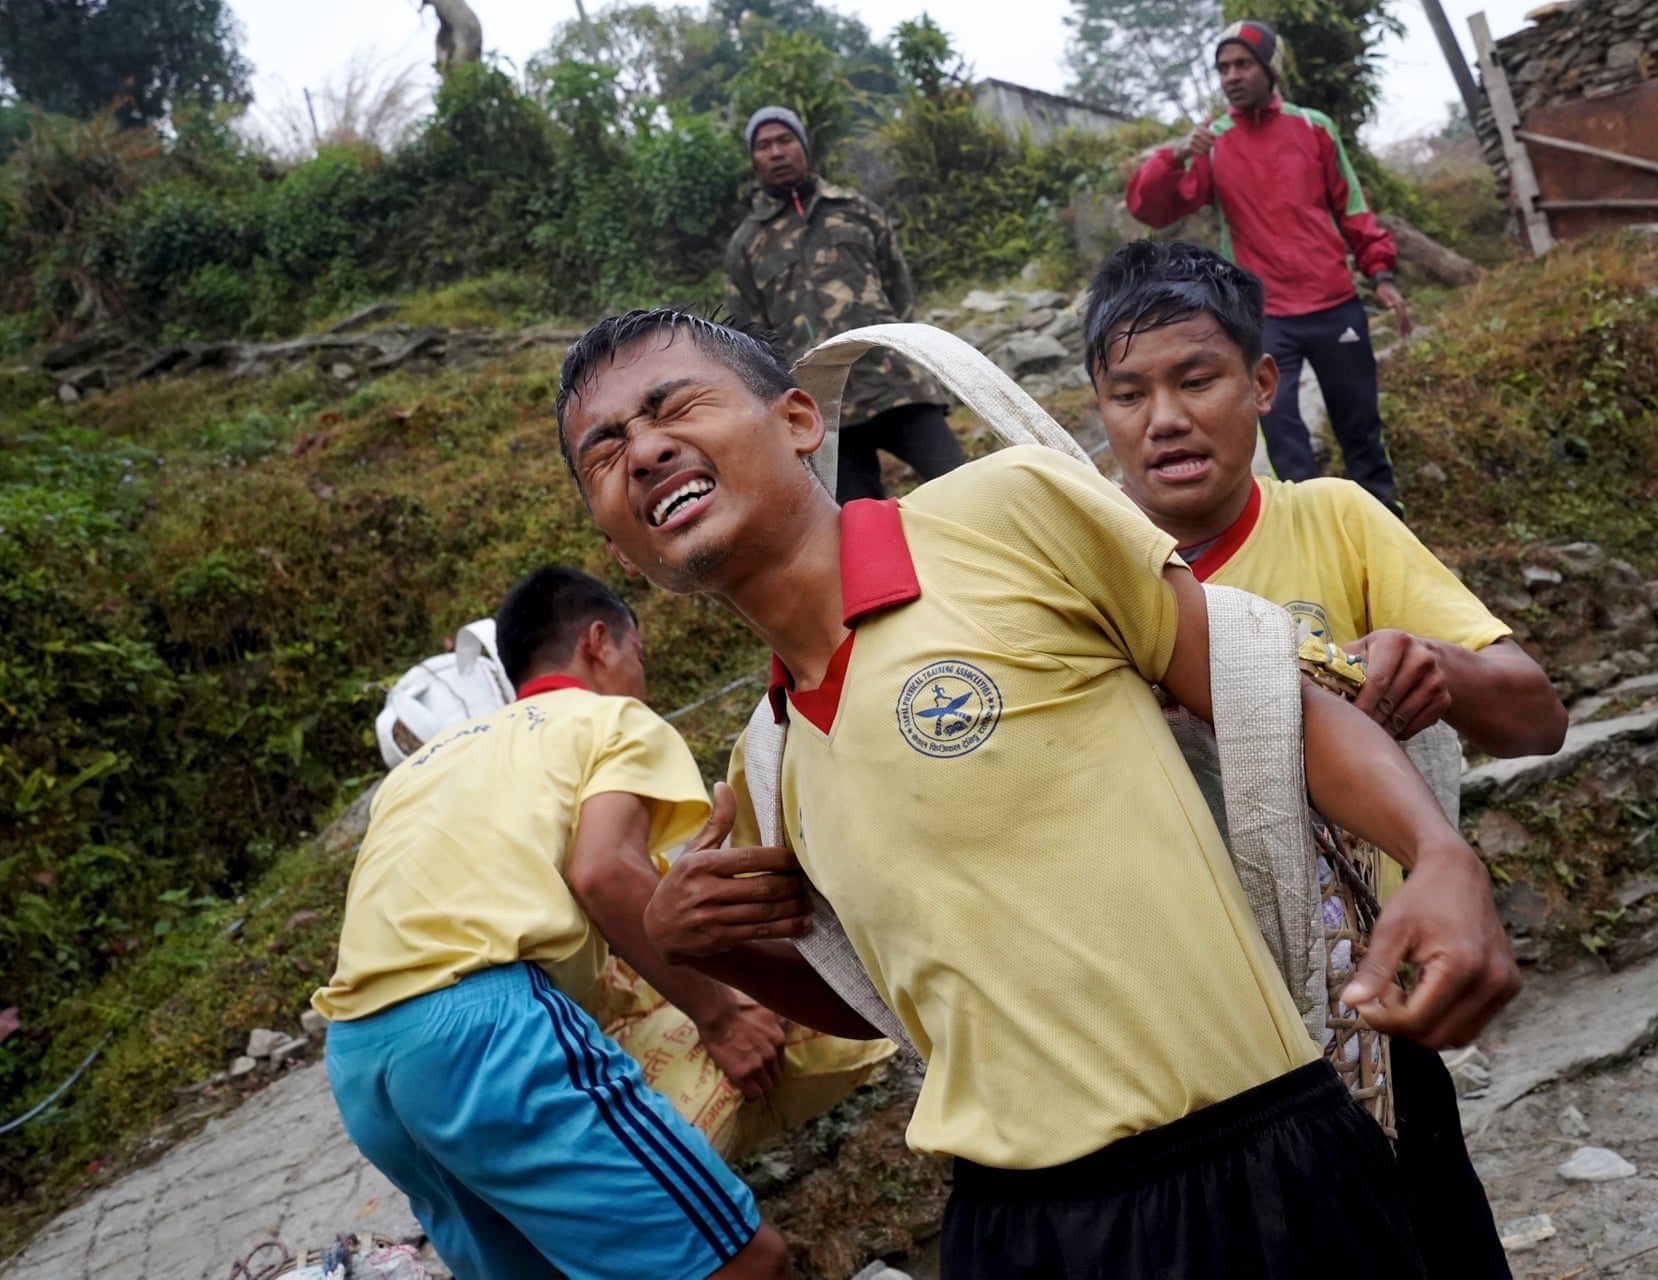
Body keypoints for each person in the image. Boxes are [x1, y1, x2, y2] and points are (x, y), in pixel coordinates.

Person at [552, 307, 1523, 1277]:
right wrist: (714, 947)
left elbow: (1272, 703)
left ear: (800, 419)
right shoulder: (767, 761)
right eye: (604, 450)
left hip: (1254, 1163)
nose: (642, 451)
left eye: (672, 406)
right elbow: (897, 1004)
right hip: (1014, 1228)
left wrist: (1437, 851)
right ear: (615, 538)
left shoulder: (1006, 514)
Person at [1080, 237, 1571, 1276]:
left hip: (1361, 1011)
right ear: (1097, 407)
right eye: (1129, 393)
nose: (1164, 418)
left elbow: (1537, 715)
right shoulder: (1076, 577)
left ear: (1263, 383)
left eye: (1196, 378)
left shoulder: (1335, 519)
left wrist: (1440, 666)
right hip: (1183, 1042)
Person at [314, 565, 790, 1280]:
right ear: (599, 642)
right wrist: (721, 1020)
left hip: (361, 1062)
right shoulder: (611, 720)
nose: (640, 678)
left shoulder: (424, 765)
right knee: (744, 1265)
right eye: (639, 656)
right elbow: (605, 874)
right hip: (483, 1034)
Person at [1125, 19, 1409, 513]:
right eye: (1223, 68)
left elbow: (1353, 208)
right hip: (1265, 316)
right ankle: (1306, 534)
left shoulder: (1313, 127)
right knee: (1282, 437)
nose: (1231, 76)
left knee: (1360, 426)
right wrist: (1172, 157)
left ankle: (1386, 522)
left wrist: (1380, 274)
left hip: (1335, 304)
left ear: (1268, 68)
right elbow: (1152, 209)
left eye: (1243, 64)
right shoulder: (1214, 143)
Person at [723, 105, 966, 504]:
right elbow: (749, 340)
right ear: (754, 159)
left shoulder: (857, 210)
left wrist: (902, 349)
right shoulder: (746, 245)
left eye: (785, 140)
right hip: (825, 409)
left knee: (965, 486)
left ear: (803, 146)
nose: (776, 151)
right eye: (764, 145)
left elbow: (899, 291)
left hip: (896, 384)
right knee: (860, 530)